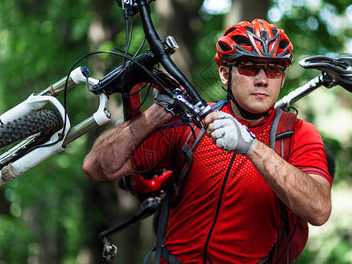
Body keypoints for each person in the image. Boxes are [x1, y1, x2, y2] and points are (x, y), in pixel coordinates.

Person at [83, 19, 332, 263]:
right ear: (225, 74)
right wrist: (155, 115)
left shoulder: (298, 134)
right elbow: (99, 166)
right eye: (248, 66)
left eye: (273, 69)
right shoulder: (193, 122)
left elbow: (319, 210)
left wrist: (251, 146)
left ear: (282, 79)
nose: (262, 79)